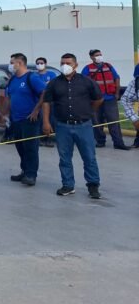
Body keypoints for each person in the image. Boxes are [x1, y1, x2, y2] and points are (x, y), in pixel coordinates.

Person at [43, 53, 104, 199]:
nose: (65, 65)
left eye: (68, 63)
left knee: (89, 157)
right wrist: (46, 122)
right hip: (62, 126)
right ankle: (68, 185)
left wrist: (89, 112)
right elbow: (46, 102)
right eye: (62, 62)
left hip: (84, 125)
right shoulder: (54, 83)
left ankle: (93, 185)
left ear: (75, 65)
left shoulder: (86, 81)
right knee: (64, 158)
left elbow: (98, 99)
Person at [4, 53, 47, 187]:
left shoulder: (32, 77)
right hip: (16, 119)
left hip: (29, 119)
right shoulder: (12, 80)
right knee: (20, 147)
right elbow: (9, 97)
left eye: (12, 62)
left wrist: (36, 110)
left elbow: (44, 93)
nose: (10, 65)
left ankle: (31, 174)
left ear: (20, 63)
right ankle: (25, 170)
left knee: (30, 148)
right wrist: (4, 113)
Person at [82, 49, 128, 150]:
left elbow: (117, 78)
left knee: (114, 121)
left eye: (100, 54)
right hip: (95, 100)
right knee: (97, 121)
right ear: (91, 57)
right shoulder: (87, 68)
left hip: (110, 98)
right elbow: (83, 83)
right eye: (96, 55)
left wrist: (117, 93)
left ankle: (118, 143)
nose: (99, 57)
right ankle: (100, 141)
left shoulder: (109, 66)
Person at [33, 57, 58, 147]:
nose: (40, 65)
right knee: (40, 120)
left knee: (49, 120)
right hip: (38, 102)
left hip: (49, 101)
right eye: (38, 63)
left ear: (45, 64)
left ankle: (48, 139)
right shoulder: (34, 76)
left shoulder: (51, 74)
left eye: (41, 63)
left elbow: (53, 85)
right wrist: (45, 84)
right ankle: (40, 139)